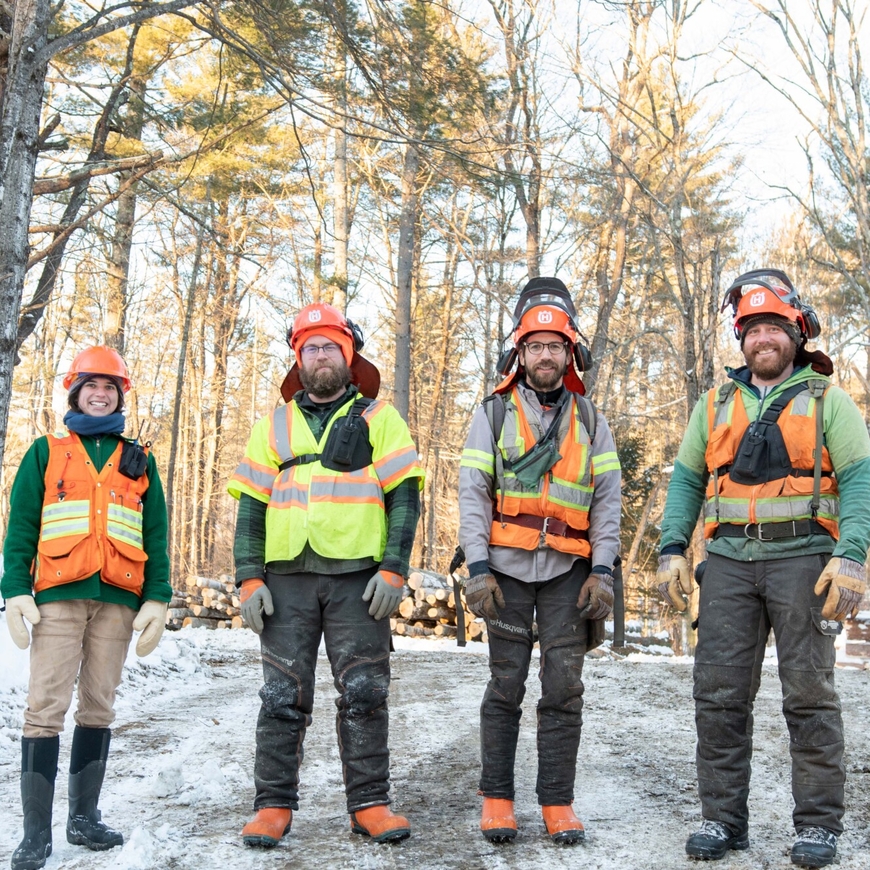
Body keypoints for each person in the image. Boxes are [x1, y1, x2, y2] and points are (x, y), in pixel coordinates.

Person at [656, 269, 870, 868]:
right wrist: (672, 549)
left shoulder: (828, 401)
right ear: (741, 339)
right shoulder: (714, 405)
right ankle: (723, 820)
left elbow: (859, 480)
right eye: (752, 329)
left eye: (775, 327)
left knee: (810, 695)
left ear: (796, 334)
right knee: (718, 696)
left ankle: (819, 826)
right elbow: (687, 480)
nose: (763, 339)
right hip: (727, 563)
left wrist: (852, 555)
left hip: (805, 561)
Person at [228, 302, 424, 848]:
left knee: (365, 691)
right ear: (298, 358)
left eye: (330, 347)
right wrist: (248, 577)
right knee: (280, 696)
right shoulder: (273, 425)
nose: (320, 356)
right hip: (284, 578)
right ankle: (272, 807)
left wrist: (394, 569)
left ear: (348, 355)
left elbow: (405, 497)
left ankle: (370, 804)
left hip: (358, 579)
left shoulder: (380, 419)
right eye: (310, 347)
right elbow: (250, 506)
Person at [458, 277, 622, 845]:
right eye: (535, 346)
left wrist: (603, 570)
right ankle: (497, 799)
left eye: (555, 345)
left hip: (569, 574)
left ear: (569, 352)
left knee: (564, 688)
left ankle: (557, 801)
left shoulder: (591, 420)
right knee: (505, 685)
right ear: (520, 353)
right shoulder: (492, 415)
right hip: (504, 572)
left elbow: (607, 502)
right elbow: (473, 494)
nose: (545, 355)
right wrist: (477, 569)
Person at [2, 345, 171, 870]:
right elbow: (21, 524)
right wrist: (15, 589)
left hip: (117, 603)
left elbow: (156, 533)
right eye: (91, 386)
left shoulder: (138, 459)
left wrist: (158, 597)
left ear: (121, 396)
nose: (100, 395)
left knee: (99, 707)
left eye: (110, 387)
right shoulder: (46, 452)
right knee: (44, 709)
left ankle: (84, 818)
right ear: (75, 392)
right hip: (57, 599)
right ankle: (35, 834)